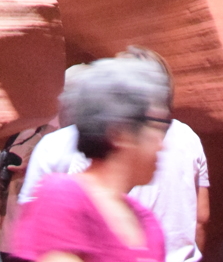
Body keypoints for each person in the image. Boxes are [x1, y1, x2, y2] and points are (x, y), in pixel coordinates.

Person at [18, 50, 209, 262]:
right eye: (155, 128)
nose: (162, 145)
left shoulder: (147, 224)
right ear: (119, 133)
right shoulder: (63, 197)